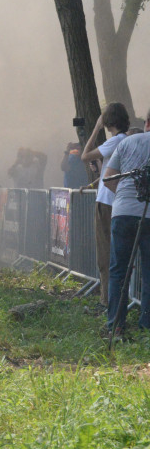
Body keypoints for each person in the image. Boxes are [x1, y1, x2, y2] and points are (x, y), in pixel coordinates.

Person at [101, 108, 150, 336]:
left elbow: (108, 178)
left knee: (119, 271)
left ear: (147, 123)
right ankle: (146, 326)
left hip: (122, 213)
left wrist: (124, 196)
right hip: (148, 214)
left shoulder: (127, 143)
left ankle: (116, 326)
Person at [82, 103, 132, 308]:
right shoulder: (126, 141)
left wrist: (95, 129)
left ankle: (107, 301)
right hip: (117, 202)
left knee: (105, 254)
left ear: (109, 121)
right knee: (116, 254)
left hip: (106, 203)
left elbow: (85, 155)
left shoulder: (116, 141)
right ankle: (113, 298)